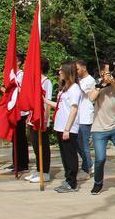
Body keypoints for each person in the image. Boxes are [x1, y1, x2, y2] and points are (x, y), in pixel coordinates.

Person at [88, 62, 115, 197]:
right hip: (99, 128)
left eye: (109, 72)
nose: (107, 75)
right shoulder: (96, 84)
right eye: (105, 72)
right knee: (100, 158)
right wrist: (101, 85)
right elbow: (91, 98)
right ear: (101, 72)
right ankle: (98, 183)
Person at [45, 61, 83, 193]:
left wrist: (67, 129)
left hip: (69, 128)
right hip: (60, 126)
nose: (59, 72)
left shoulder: (75, 89)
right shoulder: (64, 88)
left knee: (70, 156)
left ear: (68, 72)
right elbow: (60, 106)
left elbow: (73, 109)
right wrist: (44, 100)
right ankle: (68, 179)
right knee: (64, 156)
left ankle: (72, 182)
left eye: (61, 70)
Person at [26, 55, 54, 184]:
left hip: (42, 118)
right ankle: (39, 170)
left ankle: (45, 172)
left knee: (43, 146)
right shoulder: (34, 81)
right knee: (36, 147)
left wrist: (45, 120)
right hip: (33, 117)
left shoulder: (46, 82)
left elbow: (47, 102)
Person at [75, 60, 96, 178]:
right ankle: (87, 163)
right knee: (77, 144)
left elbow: (87, 94)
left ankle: (87, 167)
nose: (76, 72)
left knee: (84, 145)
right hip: (78, 116)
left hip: (86, 116)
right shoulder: (79, 80)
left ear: (84, 68)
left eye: (77, 69)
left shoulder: (90, 81)